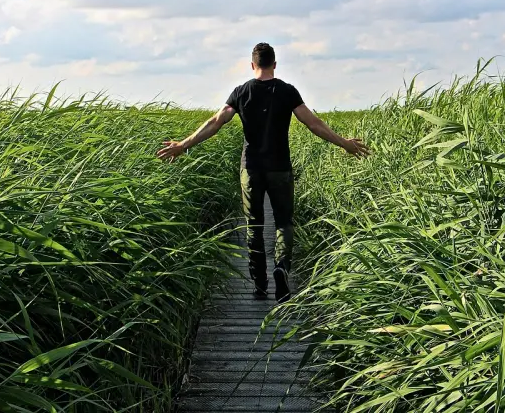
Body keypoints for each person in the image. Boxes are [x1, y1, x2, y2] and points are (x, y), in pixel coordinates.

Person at [157, 43, 370, 302]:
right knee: (283, 222)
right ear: (275, 64)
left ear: (252, 65)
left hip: (251, 169)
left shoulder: (241, 92)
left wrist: (182, 145)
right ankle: (281, 267)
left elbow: (215, 123)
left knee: (254, 226)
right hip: (280, 167)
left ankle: (259, 284)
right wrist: (344, 143)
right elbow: (313, 123)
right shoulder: (287, 91)